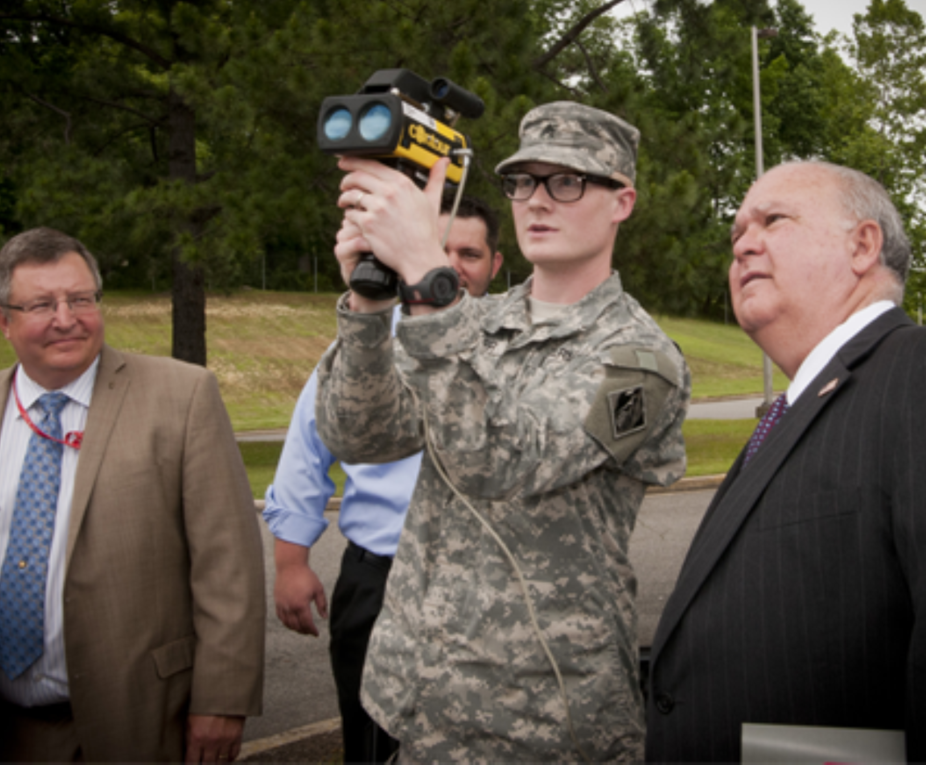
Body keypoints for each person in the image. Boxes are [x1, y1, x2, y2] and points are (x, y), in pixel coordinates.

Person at [315, 102, 691, 763]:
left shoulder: (644, 363)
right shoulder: (473, 321)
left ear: (620, 202)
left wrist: (431, 289)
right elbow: (363, 437)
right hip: (416, 696)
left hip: (538, 720)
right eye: (522, 182)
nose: (537, 201)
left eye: (566, 182)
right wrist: (370, 304)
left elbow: (505, 461)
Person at [647, 161, 926, 764]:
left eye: (773, 220)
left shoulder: (914, 373)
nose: (744, 242)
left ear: (862, 245)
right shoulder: (796, 408)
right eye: (737, 234)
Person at [0, 228, 266, 765]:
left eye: (81, 299)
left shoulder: (181, 397)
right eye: (42, 304)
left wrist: (223, 700)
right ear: (4, 320)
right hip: (3, 729)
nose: (67, 318)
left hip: (140, 717)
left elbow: (227, 564)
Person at [263, 193, 503, 765]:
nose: (450, 264)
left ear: (495, 264)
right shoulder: (364, 342)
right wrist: (291, 563)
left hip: (485, 586)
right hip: (378, 581)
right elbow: (307, 444)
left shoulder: (514, 347)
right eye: (435, 247)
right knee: (372, 742)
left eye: (468, 252)